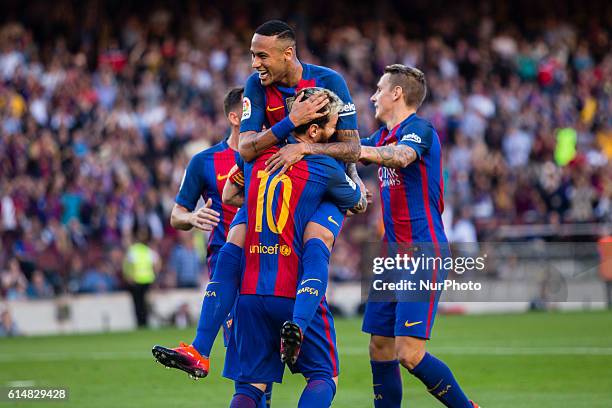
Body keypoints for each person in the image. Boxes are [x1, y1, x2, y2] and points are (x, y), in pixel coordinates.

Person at [227, 88, 363, 408]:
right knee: (323, 375)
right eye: (332, 127)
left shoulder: (255, 158)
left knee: (250, 386)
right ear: (314, 131)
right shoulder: (324, 166)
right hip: (294, 290)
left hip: (249, 293)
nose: (336, 134)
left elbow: (229, 195)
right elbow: (357, 201)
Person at [359, 64, 479, 407]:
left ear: (397, 93)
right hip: (390, 257)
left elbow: (401, 157)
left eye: (379, 89)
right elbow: (352, 147)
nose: (373, 96)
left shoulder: (420, 130)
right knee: (379, 347)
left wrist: (354, 153)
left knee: (408, 352)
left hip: (422, 251)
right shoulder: (380, 137)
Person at [123, 227, 159, 327]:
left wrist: (128, 276)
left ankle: (141, 323)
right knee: (143, 304)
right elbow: (157, 264)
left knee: (139, 304)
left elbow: (126, 265)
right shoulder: (148, 250)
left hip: (138, 281)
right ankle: (143, 323)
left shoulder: (134, 250)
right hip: (145, 280)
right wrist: (155, 275)